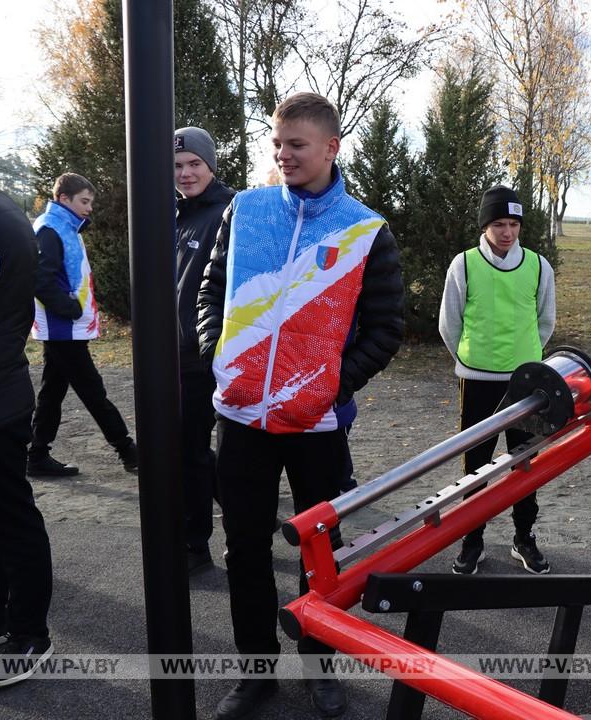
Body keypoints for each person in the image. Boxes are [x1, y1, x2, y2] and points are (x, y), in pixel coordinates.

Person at [197, 91, 403, 720]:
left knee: (321, 556)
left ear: (331, 148)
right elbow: (210, 291)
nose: (283, 155)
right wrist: (218, 355)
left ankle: (321, 670)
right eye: (278, 143)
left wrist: (331, 387)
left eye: (297, 145)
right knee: (245, 547)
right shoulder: (245, 208)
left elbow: (386, 327)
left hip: (317, 425)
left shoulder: (366, 229)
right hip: (240, 419)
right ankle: (254, 671)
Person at [439, 185, 556, 575]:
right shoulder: (465, 264)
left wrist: (524, 359)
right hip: (477, 380)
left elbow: (545, 321)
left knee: (525, 463)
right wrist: (470, 361)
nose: (507, 232)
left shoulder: (538, 266)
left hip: (525, 383)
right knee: (476, 464)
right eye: (499, 224)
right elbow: (449, 324)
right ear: (485, 226)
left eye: (513, 224)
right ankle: (472, 541)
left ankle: (524, 538)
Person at [26, 173, 138, 477]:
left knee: (52, 392)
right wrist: (71, 309)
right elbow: (40, 279)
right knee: (92, 390)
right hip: (62, 328)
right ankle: (128, 451)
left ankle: (36, 455)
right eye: (84, 201)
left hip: (64, 328)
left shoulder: (62, 227)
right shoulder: (51, 229)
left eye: (90, 202)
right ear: (64, 199)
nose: (89, 208)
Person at [0, 189, 56, 686]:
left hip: (0, 394)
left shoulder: (4, 218)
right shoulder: (9, 212)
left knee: (11, 516)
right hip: (5, 386)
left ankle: (29, 633)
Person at [174, 127, 235, 574]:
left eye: (194, 163)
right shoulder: (176, 214)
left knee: (195, 451)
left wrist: (212, 344)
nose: (186, 172)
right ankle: (243, 514)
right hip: (174, 354)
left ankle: (196, 544)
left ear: (210, 164)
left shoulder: (226, 211)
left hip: (205, 356)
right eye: (177, 166)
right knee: (192, 450)